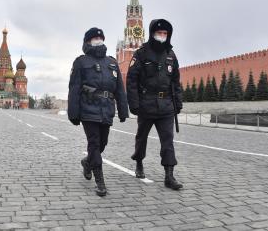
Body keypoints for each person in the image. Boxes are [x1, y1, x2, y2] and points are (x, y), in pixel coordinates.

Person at [68, 27, 129, 196]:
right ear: (87, 41)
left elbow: (119, 89)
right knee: (94, 143)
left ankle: (88, 163)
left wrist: (123, 110)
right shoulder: (81, 62)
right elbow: (74, 88)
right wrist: (73, 113)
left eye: (100, 38)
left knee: (102, 144)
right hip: (89, 108)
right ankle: (100, 181)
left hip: (107, 109)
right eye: (94, 38)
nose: (98, 40)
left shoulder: (112, 62)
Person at [126, 19, 183, 190]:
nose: (162, 36)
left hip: (166, 105)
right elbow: (131, 80)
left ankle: (169, 175)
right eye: (159, 33)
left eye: (165, 33)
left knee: (168, 140)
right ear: (152, 34)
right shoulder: (141, 54)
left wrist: (177, 103)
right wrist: (134, 104)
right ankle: (139, 163)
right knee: (141, 137)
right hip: (146, 104)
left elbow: (176, 81)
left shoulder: (171, 55)